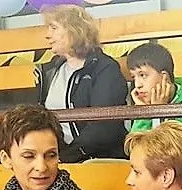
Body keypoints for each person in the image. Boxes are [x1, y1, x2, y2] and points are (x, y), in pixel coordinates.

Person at [37, 4, 128, 162]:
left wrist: (67, 156)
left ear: (74, 30)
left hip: (96, 159)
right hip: (60, 157)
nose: (47, 35)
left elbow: (104, 127)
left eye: (54, 28)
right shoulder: (49, 71)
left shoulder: (105, 68)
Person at [128, 43, 182, 161]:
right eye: (134, 77)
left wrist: (159, 113)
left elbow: (175, 154)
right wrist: (146, 113)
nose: (137, 85)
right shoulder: (146, 103)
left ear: (165, 77)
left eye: (143, 75)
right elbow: (135, 152)